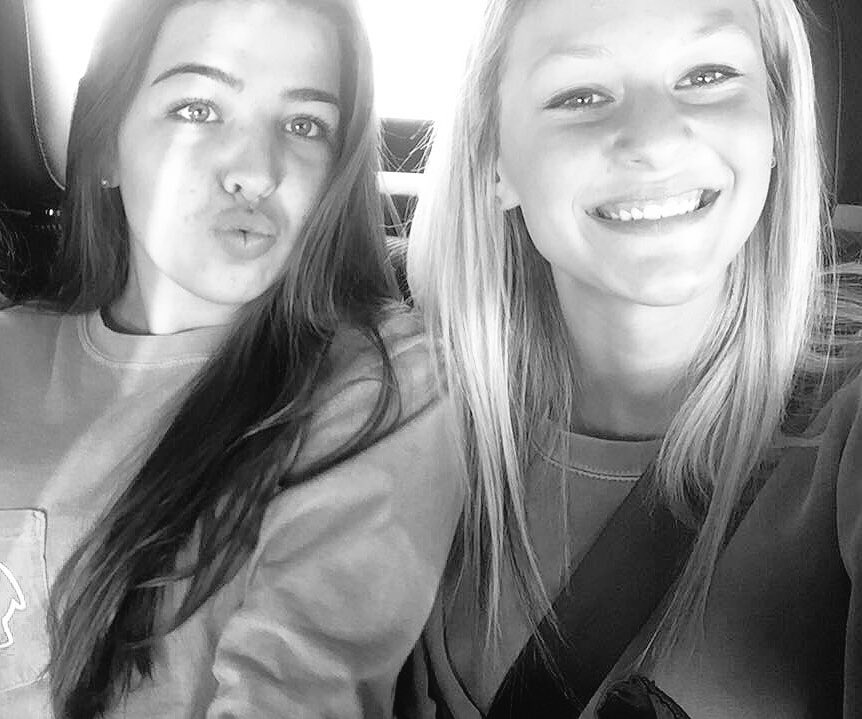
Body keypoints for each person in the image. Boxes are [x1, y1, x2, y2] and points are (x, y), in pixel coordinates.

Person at [0, 0, 461, 716]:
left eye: (305, 125)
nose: (257, 171)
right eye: (198, 109)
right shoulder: (12, 347)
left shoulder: (380, 384)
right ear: (108, 145)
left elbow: (300, 685)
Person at [403, 0, 862, 716]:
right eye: (580, 95)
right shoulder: (400, 421)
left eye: (708, 75)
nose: (655, 140)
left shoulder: (846, 433)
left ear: (775, 124)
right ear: (495, 162)